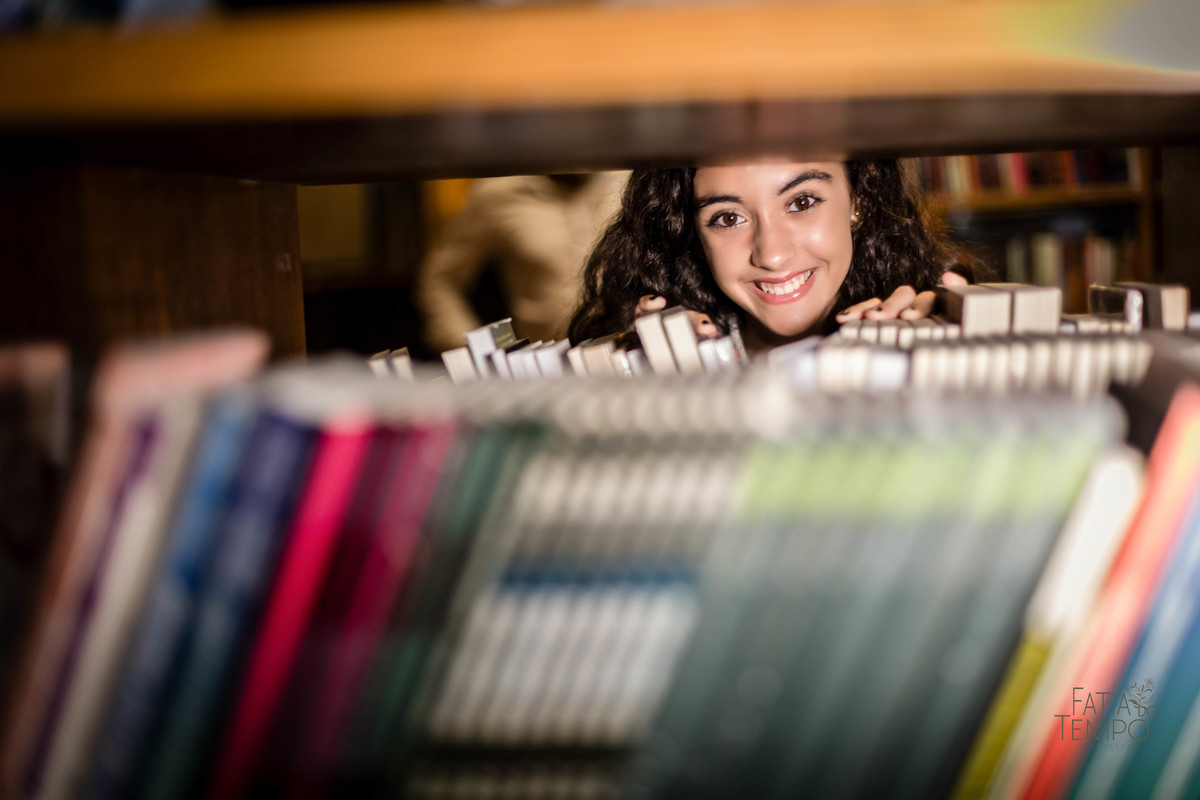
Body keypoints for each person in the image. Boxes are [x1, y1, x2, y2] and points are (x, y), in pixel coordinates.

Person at [568, 159, 979, 354]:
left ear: (859, 199)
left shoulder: (919, 335)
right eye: (728, 218)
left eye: (802, 202)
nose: (773, 255)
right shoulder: (676, 361)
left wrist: (951, 352)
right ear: (692, 234)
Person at [417, 171, 627, 353]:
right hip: (548, 370)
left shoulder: (628, 179)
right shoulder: (498, 194)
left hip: (632, 356)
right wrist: (475, 350)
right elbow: (440, 280)